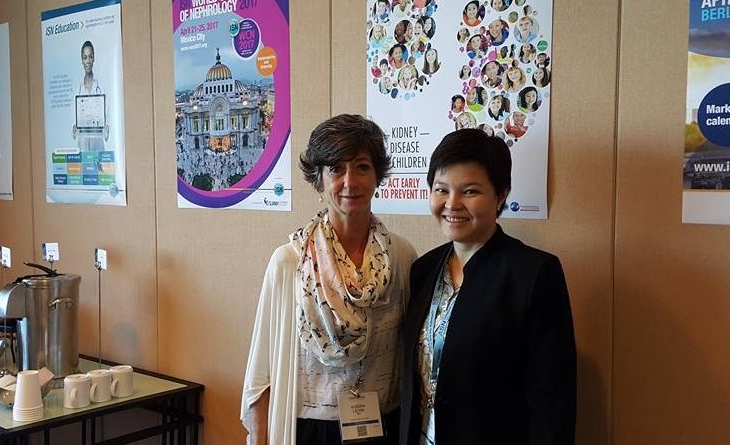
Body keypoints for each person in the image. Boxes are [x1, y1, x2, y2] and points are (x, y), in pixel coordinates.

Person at [241, 114, 417, 445]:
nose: (350, 181)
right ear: (318, 180)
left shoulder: (402, 257)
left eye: (362, 167)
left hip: (385, 426)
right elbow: (262, 374)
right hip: (309, 429)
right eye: (336, 168)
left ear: (377, 176)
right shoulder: (289, 263)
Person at [397, 129, 577, 444]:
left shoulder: (534, 274)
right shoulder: (423, 269)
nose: (452, 203)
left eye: (469, 191)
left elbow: (552, 404)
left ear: (501, 195)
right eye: (441, 189)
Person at [72, 40, 109, 152]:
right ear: (82, 61)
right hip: (82, 149)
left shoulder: (102, 86)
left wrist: (106, 127)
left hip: (98, 149)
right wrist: (74, 128)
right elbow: (73, 124)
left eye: (90, 57)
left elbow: (108, 120)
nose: (88, 61)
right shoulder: (77, 90)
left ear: (94, 59)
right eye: (85, 57)